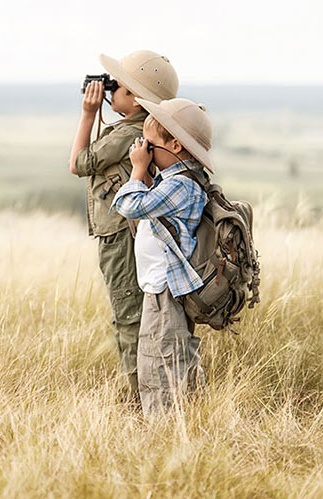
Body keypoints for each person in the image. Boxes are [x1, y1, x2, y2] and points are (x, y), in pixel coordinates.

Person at [69, 51, 179, 401]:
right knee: (137, 314)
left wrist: (88, 114)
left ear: (134, 97)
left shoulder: (129, 132)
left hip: (120, 234)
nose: (108, 91)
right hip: (131, 232)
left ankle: (139, 398)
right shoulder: (140, 127)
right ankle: (149, 391)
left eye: (116, 86)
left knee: (128, 315)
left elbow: (79, 163)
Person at [111, 97, 214, 416]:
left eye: (150, 146)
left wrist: (138, 168)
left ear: (176, 145)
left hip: (164, 290)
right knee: (170, 357)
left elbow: (128, 205)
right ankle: (187, 417)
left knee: (160, 365)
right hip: (162, 287)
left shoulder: (181, 185)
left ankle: (165, 428)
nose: (145, 151)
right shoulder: (174, 181)